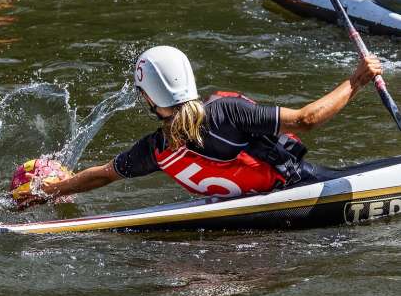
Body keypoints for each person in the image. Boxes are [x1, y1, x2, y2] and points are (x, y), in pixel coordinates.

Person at [20, 45, 382, 200]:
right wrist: (357, 79)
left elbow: (101, 174)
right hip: (297, 187)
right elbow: (307, 119)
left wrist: (50, 189)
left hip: (256, 211)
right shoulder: (228, 112)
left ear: (148, 98)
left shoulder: (157, 149)